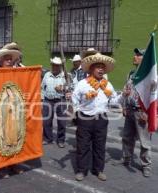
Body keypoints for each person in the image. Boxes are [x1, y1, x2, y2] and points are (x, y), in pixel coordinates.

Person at [72, 53, 126, 181]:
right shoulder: (82, 84)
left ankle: (98, 170)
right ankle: (81, 170)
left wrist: (124, 95)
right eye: (98, 67)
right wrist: (77, 111)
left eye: (103, 67)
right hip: (85, 118)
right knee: (83, 146)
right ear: (91, 69)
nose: (101, 69)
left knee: (100, 146)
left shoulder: (108, 85)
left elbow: (114, 101)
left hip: (101, 119)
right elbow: (74, 98)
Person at [0, 49, 24, 178]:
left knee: (14, 136)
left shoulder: (17, 73)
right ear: (0, 61)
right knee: (2, 137)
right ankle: (2, 166)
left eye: (11, 58)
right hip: (1, 109)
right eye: (6, 59)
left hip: (15, 109)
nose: (9, 61)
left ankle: (14, 164)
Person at [120, 48, 152, 177]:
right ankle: (126, 158)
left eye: (138, 55)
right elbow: (125, 90)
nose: (135, 56)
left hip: (142, 113)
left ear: (144, 59)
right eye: (135, 54)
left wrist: (148, 113)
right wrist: (123, 106)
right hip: (130, 111)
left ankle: (146, 165)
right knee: (127, 137)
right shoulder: (131, 74)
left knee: (144, 141)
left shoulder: (150, 76)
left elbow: (154, 97)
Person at [41, 57, 71, 148]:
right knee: (46, 121)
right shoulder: (47, 75)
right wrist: (42, 99)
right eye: (53, 65)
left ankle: (61, 140)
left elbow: (70, 88)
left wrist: (63, 88)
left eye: (57, 65)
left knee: (62, 122)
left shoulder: (65, 75)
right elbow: (42, 87)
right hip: (48, 100)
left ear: (60, 66)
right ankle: (47, 138)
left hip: (60, 100)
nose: (55, 67)